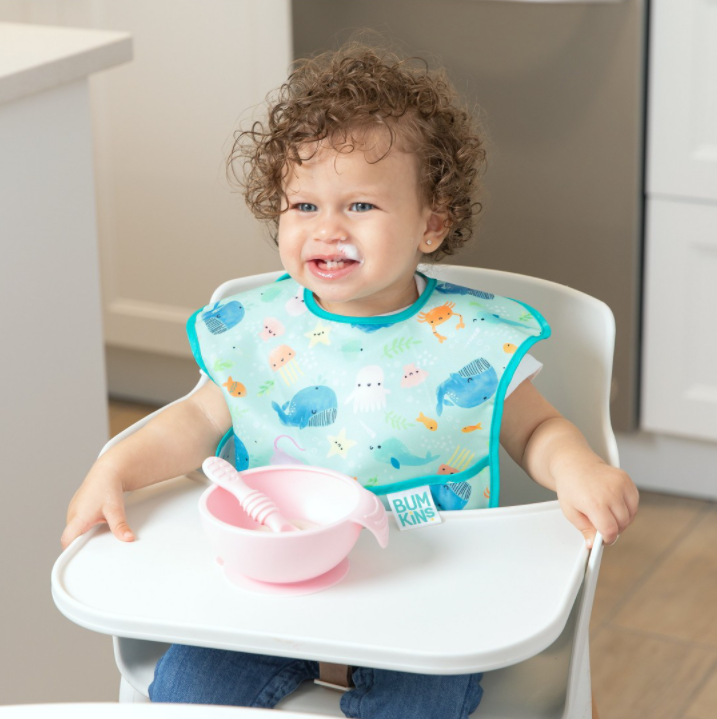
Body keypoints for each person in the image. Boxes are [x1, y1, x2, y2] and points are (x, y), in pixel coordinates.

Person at [61, 42, 638, 718]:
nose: (327, 229)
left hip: (427, 577)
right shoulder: (260, 331)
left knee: (424, 701)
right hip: (273, 576)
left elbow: (535, 428)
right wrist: (117, 467)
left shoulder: (469, 339)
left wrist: (577, 469)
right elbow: (196, 420)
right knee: (190, 689)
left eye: (359, 205)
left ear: (431, 223)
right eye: (303, 206)